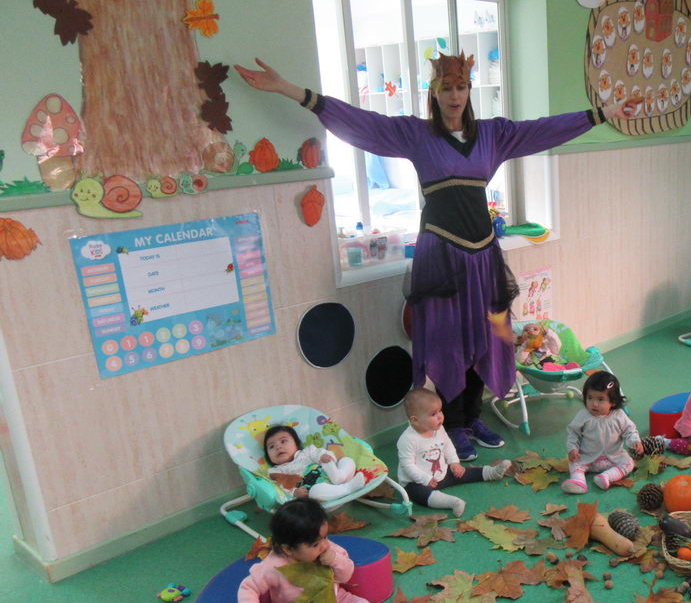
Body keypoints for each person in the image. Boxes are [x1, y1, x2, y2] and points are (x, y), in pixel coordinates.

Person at [235, 56, 642, 464]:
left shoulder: (492, 135)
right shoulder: (417, 135)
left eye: (461, 87)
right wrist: (290, 89)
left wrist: (602, 113)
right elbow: (360, 122)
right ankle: (452, 425)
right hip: (442, 255)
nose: (455, 95)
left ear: (469, 90)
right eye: (446, 87)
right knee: (449, 342)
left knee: (483, 339)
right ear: (434, 91)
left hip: (482, 256)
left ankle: (473, 416)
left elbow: (542, 130)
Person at [237, 498, 394, 603]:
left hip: (337, 600)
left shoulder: (329, 549)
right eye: (315, 544)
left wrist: (335, 560)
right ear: (288, 549)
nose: (324, 545)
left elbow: (346, 575)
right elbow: (248, 587)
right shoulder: (273, 567)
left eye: (325, 537)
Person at [396, 387, 511, 518]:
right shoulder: (408, 439)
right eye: (433, 414)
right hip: (417, 482)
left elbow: (448, 446)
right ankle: (452, 502)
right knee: (420, 494)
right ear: (415, 420)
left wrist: (454, 463)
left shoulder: (438, 429)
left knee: (463, 473)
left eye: (440, 411)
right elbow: (407, 466)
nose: (440, 416)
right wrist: (425, 479)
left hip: (441, 473)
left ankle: (492, 473)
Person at [563, 371, 643, 493]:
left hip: (614, 457)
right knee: (574, 462)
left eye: (601, 399)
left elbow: (629, 431)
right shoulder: (583, 415)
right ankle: (578, 481)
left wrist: (634, 441)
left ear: (613, 401)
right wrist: (572, 449)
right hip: (588, 458)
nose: (594, 404)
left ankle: (606, 476)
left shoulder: (619, 416)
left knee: (628, 463)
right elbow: (574, 433)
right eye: (590, 398)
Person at [262, 424, 369, 501]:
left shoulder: (307, 452)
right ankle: (349, 488)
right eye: (271, 446)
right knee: (315, 492)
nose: (278, 447)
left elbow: (320, 454)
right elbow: (279, 487)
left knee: (346, 461)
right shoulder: (276, 471)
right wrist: (294, 492)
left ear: (296, 444)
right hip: (323, 493)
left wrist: (324, 457)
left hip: (332, 475)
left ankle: (339, 478)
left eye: (283, 441)